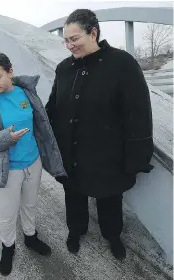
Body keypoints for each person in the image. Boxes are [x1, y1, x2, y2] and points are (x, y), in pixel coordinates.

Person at [45, 9, 154, 261]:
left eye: (74, 39)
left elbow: (138, 113)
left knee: (109, 197)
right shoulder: (63, 68)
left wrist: (136, 157)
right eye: (66, 41)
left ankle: (113, 236)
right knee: (73, 193)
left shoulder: (122, 63)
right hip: (70, 149)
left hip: (107, 152)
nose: (69, 45)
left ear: (93, 33)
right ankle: (76, 231)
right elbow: (53, 106)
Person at [0, 52, 67, 276]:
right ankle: (8, 247)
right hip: (7, 167)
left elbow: (41, 123)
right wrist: (6, 137)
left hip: (33, 161)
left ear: (10, 72)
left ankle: (31, 237)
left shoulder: (27, 92)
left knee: (30, 204)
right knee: (7, 212)